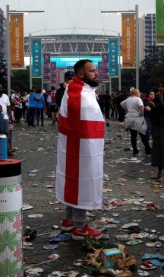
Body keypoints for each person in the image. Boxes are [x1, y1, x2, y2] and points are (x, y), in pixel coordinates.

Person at [55, 59, 105, 240]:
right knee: (82, 183)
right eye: (92, 71)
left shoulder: (78, 89)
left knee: (74, 181)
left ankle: (69, 221)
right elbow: (81, 121)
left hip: (79, 145)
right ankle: (80, 227)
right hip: (82, 147)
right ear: (81, 74)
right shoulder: (78, 92)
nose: (97, 73)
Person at [120, 88, 151, 155]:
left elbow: (121, 104)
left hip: (129, 117)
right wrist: (142, 113)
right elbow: (141, 106)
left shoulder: (128, 99)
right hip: (137, 117)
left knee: (133, 135)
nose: (140, 93)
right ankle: (147, 148)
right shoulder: (138, 99)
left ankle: (135, 149)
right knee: (142, 134)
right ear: (136, 93)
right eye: (139, 92)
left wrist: (127, 109)